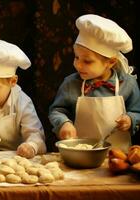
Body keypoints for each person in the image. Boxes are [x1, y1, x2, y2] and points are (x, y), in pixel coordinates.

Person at [49, 14, 140, 152]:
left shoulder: (128, 84)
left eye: (87, 61)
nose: (78, 65)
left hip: (118, 156)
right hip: (80, 154)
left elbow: (137, 111)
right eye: (76, 57)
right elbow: (56, 110)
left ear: (110, 62)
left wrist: (130, 119)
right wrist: (63, 123)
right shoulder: (70, 84)